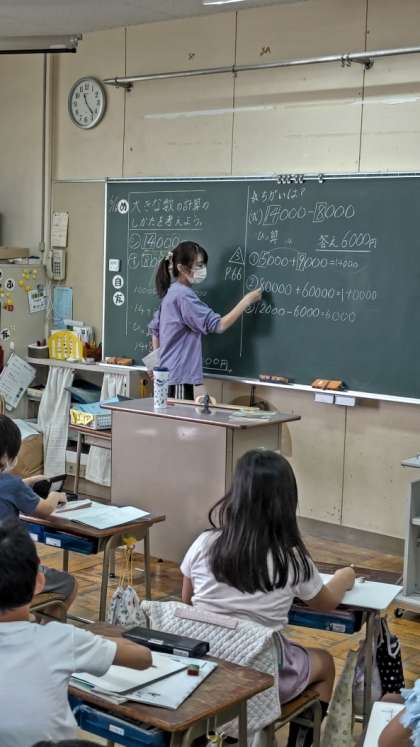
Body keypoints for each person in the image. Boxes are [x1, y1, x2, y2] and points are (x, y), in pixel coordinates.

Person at [180, 449, 356, 747]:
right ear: (286, 502)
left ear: (235, 495)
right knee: (325, 663)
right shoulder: (291, 559)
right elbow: (327, 603)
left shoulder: (204, 542)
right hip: (260, 677)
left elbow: (187, 600)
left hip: (204, 673)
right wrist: (344, 577)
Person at [0, 519, 152, 747]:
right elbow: (143, 658)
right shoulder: (60, 639)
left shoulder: (60, 638)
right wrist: (86, 637)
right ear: (39, 582)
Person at [148, 240, 262, 400]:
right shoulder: (184, 296)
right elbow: (219, 325)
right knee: (178, 415)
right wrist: (247, 301)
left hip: (168, 376)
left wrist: (156, 366)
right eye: (199, 265)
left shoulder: (171, 292)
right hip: (179, 377)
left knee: (170, 415)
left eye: (204, 265)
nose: (203, 270)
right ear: (181, 268)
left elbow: (155, 331)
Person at [0, 414, 76, 613]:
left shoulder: (14, 486)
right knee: (69, 584)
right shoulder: (13, 485)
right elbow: (46, 510)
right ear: (7, 456)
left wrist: (25, 484)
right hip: (10, 570)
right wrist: (55, 496)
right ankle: (42, 626)